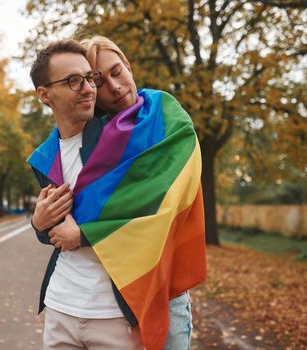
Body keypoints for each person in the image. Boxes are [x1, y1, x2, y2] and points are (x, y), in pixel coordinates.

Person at [28, 37, 206, 350]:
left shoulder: (163, 119)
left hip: (158, 286)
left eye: (117, 71)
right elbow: (59, 228)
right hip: (69, 302)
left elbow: (153, 210)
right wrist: (41, 225)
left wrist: (82, 234)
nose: (114, 86)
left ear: (128, 65)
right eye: (96, 79)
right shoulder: (67, 150)